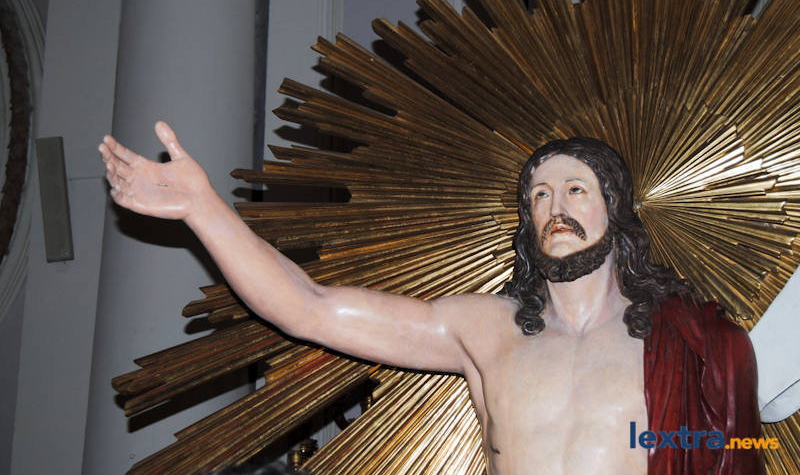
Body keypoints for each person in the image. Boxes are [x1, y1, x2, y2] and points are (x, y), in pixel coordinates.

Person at [99, 124, 764, 475]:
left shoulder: (692, 342)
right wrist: (203, 208)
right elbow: (306, 307)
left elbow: (725, 449)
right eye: (539, 195)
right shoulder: (487, 331)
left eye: (575, 190)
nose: (554, 206)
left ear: (615, 210)